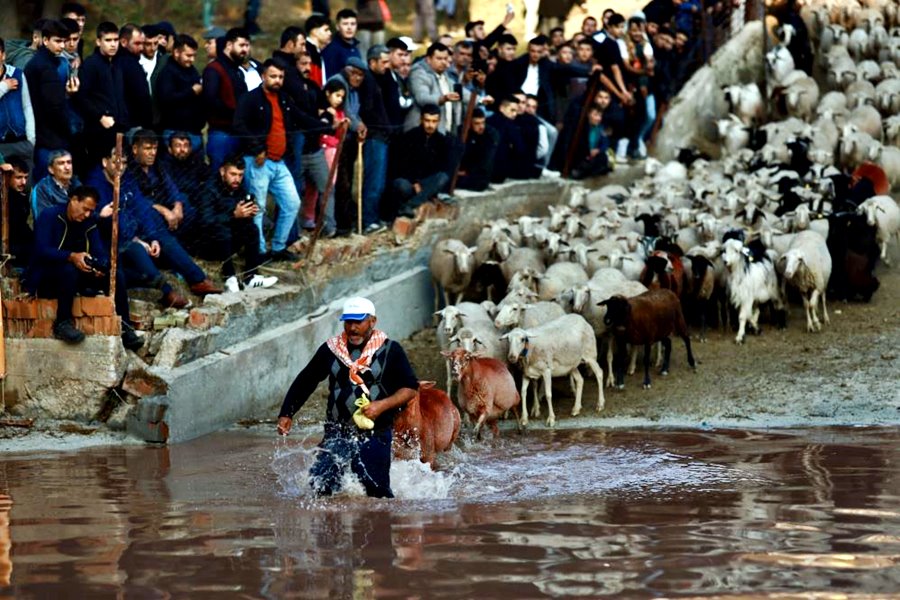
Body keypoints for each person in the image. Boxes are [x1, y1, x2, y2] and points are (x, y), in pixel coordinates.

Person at [277, 296, 418, 498]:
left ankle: (377, 527)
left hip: (375, 433)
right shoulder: (331, 350)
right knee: (321, 487)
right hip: (337, 431)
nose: (352, 328)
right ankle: (328, 527)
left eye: (358, 322)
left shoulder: (390, 350)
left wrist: (381, 406)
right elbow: (306, 381)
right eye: (348, 322)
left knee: (376, 494)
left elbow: (410, 388)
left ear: (372, 321)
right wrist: (287, 413)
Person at [26, 184, 144, 350]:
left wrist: (98, 267)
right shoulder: (50, 216)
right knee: (69, 270)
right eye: (85, 209)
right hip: (46, 275)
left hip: (76, 275)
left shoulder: (89, 222)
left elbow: (99, 252)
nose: (87, 214)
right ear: (74, 200)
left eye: (91, 211)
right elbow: (41, 250)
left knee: (115, 275)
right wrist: (71, 256)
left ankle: (124, 327)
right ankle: (62, 323)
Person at [233, 58, 306, 260]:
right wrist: (257, 148)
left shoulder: (283, 98)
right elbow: (239, 126)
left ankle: (278, 247)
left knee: (292, 202)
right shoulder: (250, 99)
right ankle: (258, 251)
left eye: (281, 77)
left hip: (279, 161)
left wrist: (329, 125)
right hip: (258, 162)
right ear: (263, 76)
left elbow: (301, 117)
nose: (277, 80)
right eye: (273, 76)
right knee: (258, 209)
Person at [192, 156, 278, 292]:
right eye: (233, 174)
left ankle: (251, 276)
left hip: (229, 241)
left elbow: (241, 219)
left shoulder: (239, 188)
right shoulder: (208, 189)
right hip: (207, 244)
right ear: (222, 172)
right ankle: (229, 277)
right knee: (222, 229)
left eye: (240, 175)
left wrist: (248, 213)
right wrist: (233, 214)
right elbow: (206, 221)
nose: (237, 179)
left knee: (252, 229)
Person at [25, 20, 78, 180]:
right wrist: (68, 130)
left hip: (44, 135)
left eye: (64, 41)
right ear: (45, 40)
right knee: (49, 185)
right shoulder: (45, 67)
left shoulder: (46, 62)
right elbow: (53, 106)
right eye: (57, 41)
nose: (62, 46)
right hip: (49, 138)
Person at [76, 21, 129, 172]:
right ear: (99, 41)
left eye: (115, 40)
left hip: (118, 127)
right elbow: (81, 97)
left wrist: (123, 119)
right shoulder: (91, 65)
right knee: (99, 171)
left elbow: (120, 96)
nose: (113, 44)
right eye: (108, 40)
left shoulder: (117, 64)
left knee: (118, 172)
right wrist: (100, 116)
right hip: (97, 131)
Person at [389, 104, 451, 219]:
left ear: (438, 122)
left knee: (443, 177)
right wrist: (414, 182)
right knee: (400, 184)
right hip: (410, 184)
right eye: (427, 121)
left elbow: (442, 167)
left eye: (434, 121)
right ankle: (417, 200)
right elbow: (400, 165)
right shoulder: (409, 136)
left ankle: (409, 205)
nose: (430, 125)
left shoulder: (442, 141)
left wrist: (425, 185)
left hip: (427, 185)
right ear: (421, 120)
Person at [202, 27, 250, 171]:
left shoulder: (237, 71)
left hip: (238, 134)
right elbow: (210, 101)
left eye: (247, 46)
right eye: (241, 45)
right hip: (221, 135)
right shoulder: (214, 69)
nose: (245, 50)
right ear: (229, 45)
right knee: (218, 177)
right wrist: (235, 114)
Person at [156, 34, 205, 151]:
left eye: (194, 56)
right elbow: (166, 99)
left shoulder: (192, 70)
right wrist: (191, 92)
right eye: (188, 55)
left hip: (194, 130)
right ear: (177, 52)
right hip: (175, 132)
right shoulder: (168, 73)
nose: (192, 59)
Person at [0, 38, 36, 175]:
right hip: (0, 147)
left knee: (25, 188)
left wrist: (31, 140)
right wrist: (4, 87)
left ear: (3, 55)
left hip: (22, 142)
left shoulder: (17, 74)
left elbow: (27, 106)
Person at [115, 24, 153, 130]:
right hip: (133, 124)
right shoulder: (129, 64)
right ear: (123, 42)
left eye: (142, 43)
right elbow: (141, 96)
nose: (141, 48)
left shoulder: (119, 61)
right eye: (137, 43)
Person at [456, 108, 498, 192]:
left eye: (483, 122)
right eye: (477, 123)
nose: (481, 126)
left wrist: (466, 171)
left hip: (479, 173)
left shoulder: (490, 134)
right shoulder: (462, 131)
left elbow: (486, 161)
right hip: (462, 170)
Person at [3, 157, 34, 269]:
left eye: (26, 177)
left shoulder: (22, 196)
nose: (23, 182)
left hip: (20, 243)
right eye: (18, 178)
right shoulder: (4, 199)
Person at [32, 149, 80, 217]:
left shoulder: (77, 184)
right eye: (61, 163)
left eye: (69, 162)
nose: (67, 167)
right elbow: (42, 219)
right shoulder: (42, 189)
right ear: (51, 169)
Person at [322, 8, 361, 77]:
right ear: (337, 26)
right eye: (345, 24)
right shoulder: (331, 49)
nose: (349, 28)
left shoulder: (355, 46)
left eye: (353, 24)